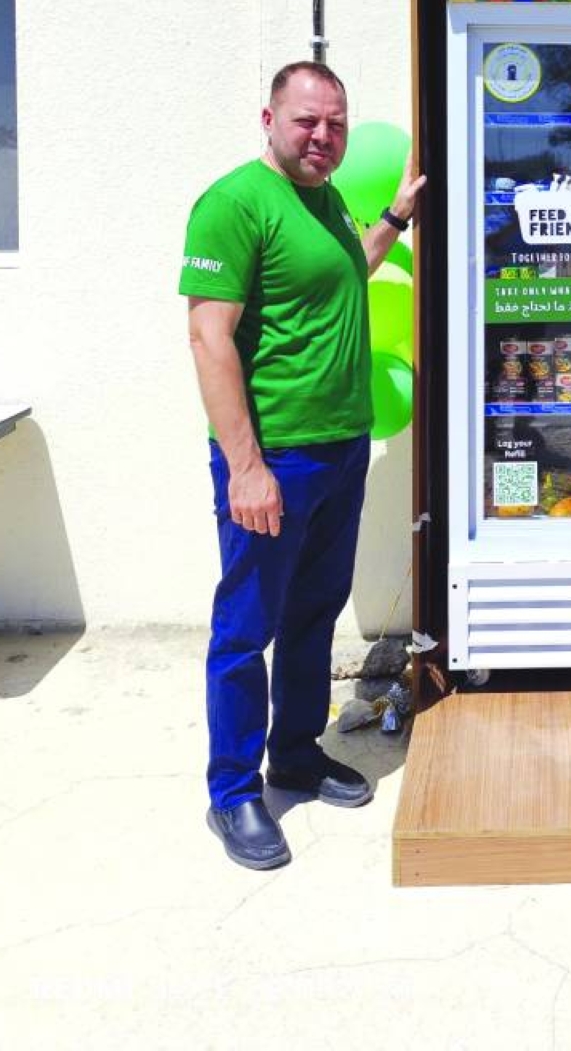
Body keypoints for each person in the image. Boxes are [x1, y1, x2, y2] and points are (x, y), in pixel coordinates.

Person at [179, 61, 425, 871]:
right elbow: (210, 339)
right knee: (247, 629)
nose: (323, 137)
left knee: (313, 617)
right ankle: (233, 793)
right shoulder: (234, 204)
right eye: (307, 123)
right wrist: (246, 469)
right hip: (273, 459)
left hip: (339, 449)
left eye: (336, 125)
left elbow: (343, 271)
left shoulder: (325, 203)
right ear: (269, 119)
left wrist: (392, 216)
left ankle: (294, 754)